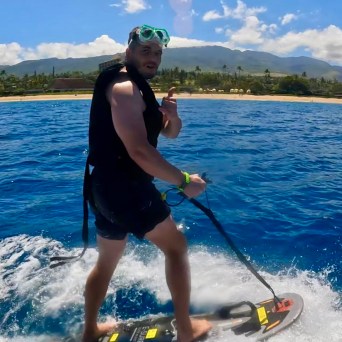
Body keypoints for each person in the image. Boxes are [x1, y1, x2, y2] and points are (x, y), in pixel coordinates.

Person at [82, 24, 212, 342]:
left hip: (103, 190)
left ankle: (89, 333)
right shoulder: (125, 88)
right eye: (146, 51)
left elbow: (169, 133)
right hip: (126, 189)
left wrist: (172, 116)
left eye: (157, 53)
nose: (153, 57)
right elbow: (139, 151)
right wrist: (183, 181)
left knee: (107, 261)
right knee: (176, 248)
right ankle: (185, 330)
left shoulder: (139, 88)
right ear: (129, 51)